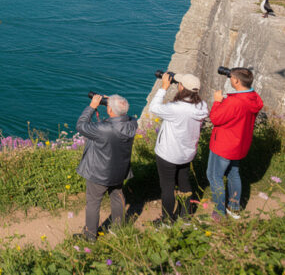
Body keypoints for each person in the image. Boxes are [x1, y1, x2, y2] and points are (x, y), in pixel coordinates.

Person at [76, 94, 138, 241]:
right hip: (119, 170)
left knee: (93, 202)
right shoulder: (132, 124)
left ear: (109, 110)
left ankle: (90, 235)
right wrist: (114, 105)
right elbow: (125, 115)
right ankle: (118, 229)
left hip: (99, 173)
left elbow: (81, 125)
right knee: (117, 196)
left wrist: (92, 107)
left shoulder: (103, 128)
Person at [149, 73, 208, 223]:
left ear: (181, 87)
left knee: (167, 187)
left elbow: (154, 107)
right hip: (187, 153)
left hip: (168, 153)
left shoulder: (175, 108)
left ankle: (167, 221)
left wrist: (164, 88)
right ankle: (186, 216)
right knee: (184, 183)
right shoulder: (202, 106)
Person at [206, 68, 263, 220]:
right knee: (233, 174)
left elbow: (216, 118)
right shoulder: (253, 98)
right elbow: (238, 113)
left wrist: (217, 102)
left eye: (231, 77)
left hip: (224, 145)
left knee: (214, 176)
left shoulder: (234, 102)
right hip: (239, 144)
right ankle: (234, 207)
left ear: (237, 81)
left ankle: (219, 212)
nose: (230, 80)